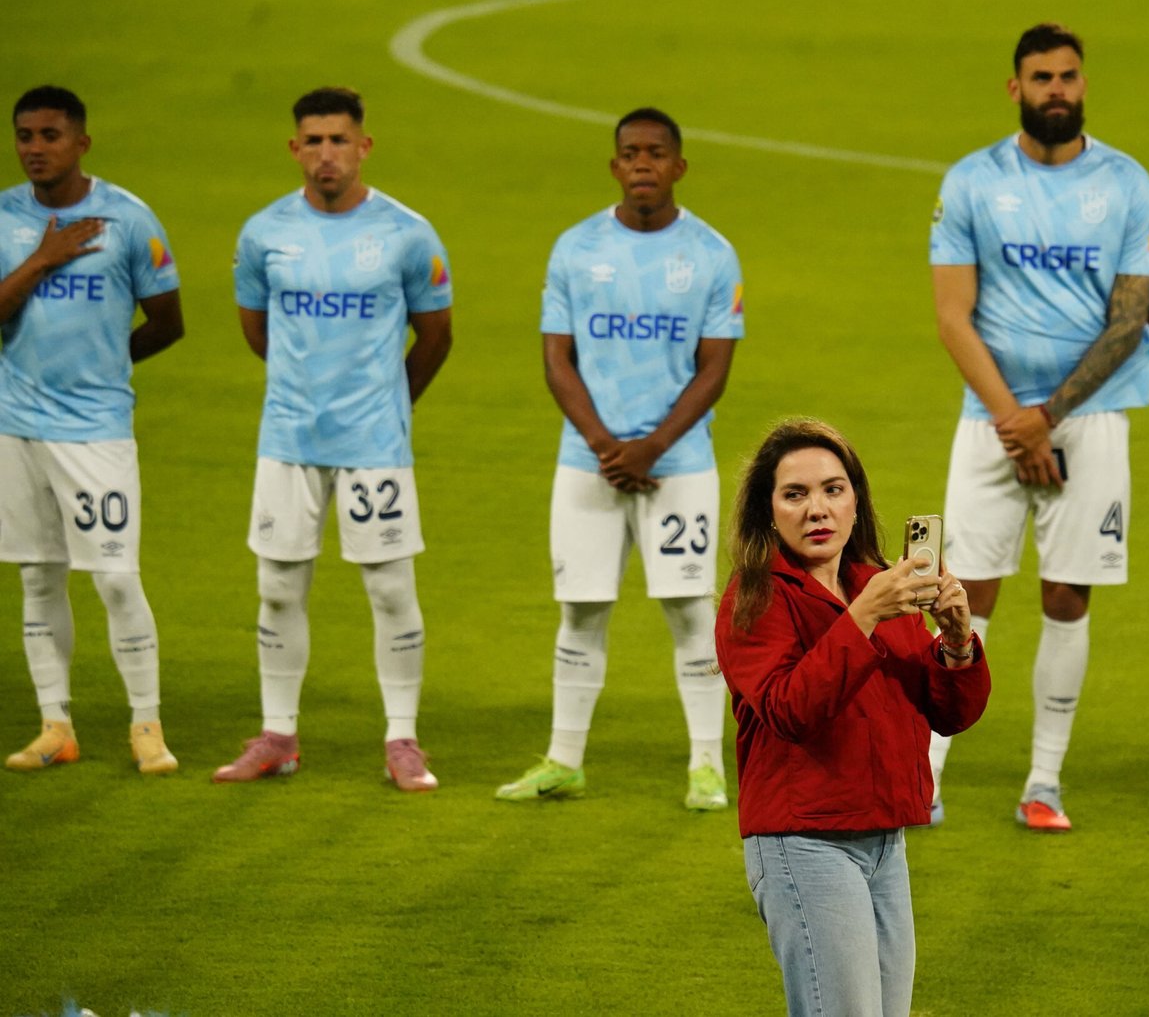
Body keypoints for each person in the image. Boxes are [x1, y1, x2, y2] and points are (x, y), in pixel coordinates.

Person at [927, 23, 1149, 829]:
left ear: (1083, 84)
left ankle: (1044, 783)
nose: (1055, 89)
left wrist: (1048, 418)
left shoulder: (1128, 183)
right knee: (961, 591)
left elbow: (1129, 321)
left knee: (1067, 594)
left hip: (1088, 419)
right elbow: (953, 317)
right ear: (1015, 87)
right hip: (990, 421)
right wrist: (1013, 422)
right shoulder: (970, 182)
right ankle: (924, 773)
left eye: (1068, 76)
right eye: (1040, 77)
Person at [496, 108, 743, 810]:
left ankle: (706, 767)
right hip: (589, 463)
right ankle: (564, 759)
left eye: (656, 153)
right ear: (614, 166)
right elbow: (556, 358)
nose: (642, 163)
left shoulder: (711, 255)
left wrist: (653, 446)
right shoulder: (575, 250)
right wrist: (608, 447)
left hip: (680, 464)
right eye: (630, 152)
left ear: (678, 166)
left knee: (690, 609)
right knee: (581, 610)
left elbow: (715, 368)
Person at [213, 87, 453, 792]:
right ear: (295, 149)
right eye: (312, 141)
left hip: (374, 443)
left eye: (339, 140)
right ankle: (278, 734)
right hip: (288, 437)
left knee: (388, 587)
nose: (326, 155)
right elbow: (258, 330)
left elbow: (435, 335)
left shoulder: (408, 233)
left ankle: (403, 740)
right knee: (278, 584)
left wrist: (387, 405)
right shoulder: (263, 234)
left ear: (363, 147)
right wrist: (308, 389)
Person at [715, 418, 990, 1017]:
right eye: (795, 494)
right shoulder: (756, 597)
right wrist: (861, 618)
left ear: (856, 501)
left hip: (884, 840)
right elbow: (791, 709)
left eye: (833, 490)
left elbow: (949, 713)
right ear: (768, 512)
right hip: (803, 842)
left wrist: (958, 643)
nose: (818, 509)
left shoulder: (878, 586)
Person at [0, 86, 184, 775]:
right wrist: (42, 261)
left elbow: (169, 321)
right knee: (38, 577)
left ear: (82, 142)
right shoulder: (3, 219)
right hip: (15, 428)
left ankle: (147, 726)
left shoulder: (128, 220)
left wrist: (106, 368)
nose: (35, 149)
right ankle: (56, 726)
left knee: (113, 577)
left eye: (50, 135)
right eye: (24, 135)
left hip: (96, 431)